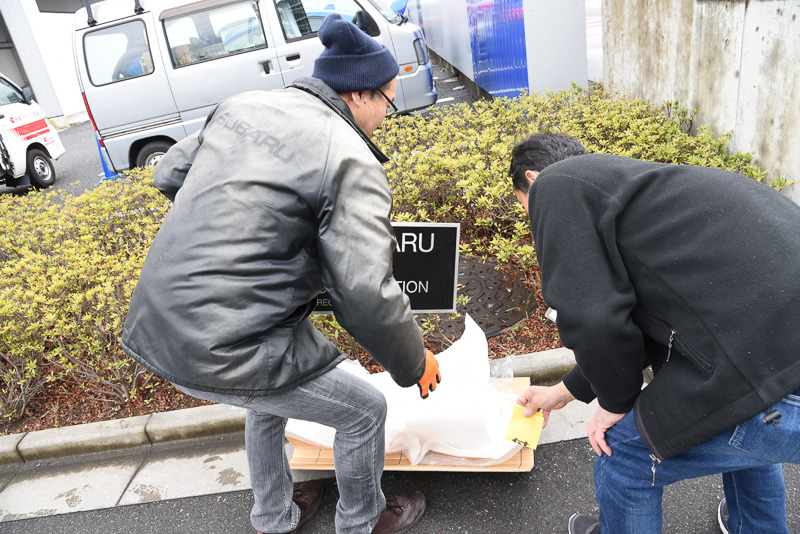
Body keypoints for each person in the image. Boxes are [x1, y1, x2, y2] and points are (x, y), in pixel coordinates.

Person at [121, 14, 441, 534]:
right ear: (359, 94)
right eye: (388, 99)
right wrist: (414, 361)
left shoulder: (243, 105)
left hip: (158, 322)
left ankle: (273, 516)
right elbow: (363, 290)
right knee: (364, 411)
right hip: (225, 342)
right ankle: (360, 523)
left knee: (266, 396)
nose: (388, 113)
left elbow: (168, 173)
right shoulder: (348, 156)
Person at [510, 133, 800, 534]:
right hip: (776, 359)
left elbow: (594, 318)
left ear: (533, 179)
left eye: (527, 208)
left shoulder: (556, 185)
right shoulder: (644, 193)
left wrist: (615, 403)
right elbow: (645, 324)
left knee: (622, 451)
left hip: (777, 382)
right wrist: (563, 392)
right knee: (745, 405)